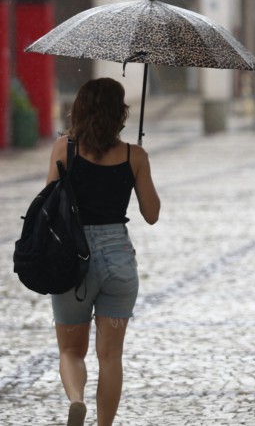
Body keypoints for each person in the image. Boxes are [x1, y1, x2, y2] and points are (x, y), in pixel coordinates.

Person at [46, 78, 160, 425]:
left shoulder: (64, 149)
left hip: (72, 261)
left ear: (79, 110)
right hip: (118, 260)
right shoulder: (132, 155)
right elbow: (151, 214)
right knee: (110, 357)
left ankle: (76, 400)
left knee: (71, 350)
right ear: (119, 114)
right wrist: (137, 164)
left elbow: (50, 202)